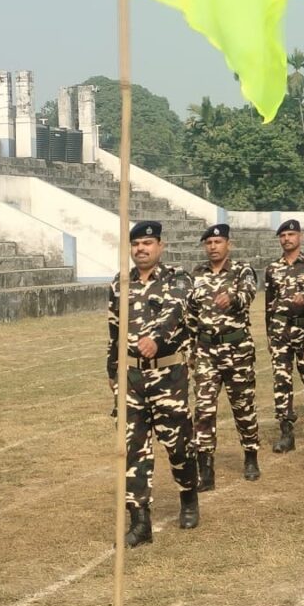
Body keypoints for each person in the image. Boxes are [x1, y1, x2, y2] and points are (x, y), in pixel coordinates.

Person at [106, 220, 198, 547]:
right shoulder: (120, 284)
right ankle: (140, 520)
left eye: (147, 243)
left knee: (179, 447)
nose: (141, 249)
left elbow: (176, 310)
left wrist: (157, 338)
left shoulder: (178, 278)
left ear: (160, 246)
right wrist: (114, 378)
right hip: (132, 378)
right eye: (136, 244)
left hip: (168, 376)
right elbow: (114, 334)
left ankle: (188, 496)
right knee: (133, 449)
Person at [187, 224, 261, 489]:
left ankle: (251, 456)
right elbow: (191, 314)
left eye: (218, 241)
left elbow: (248, 294)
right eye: (209, 243)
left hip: (237, 350)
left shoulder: (242, 270)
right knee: (203, 409)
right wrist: (191, 350)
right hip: (207, 351)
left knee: (243, 407)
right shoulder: (196, 275)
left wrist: (232, 297)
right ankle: (205, 469)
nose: (213, 247)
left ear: (228, 244)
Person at [264, 219, 304, 452]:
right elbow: (269, 304)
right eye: (283, 235)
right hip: (280, 331)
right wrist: (269, 334)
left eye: (291, 234)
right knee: (281, 381)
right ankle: (286, 431)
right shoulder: (273, 268)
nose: (286, 239)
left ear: (300, 237)